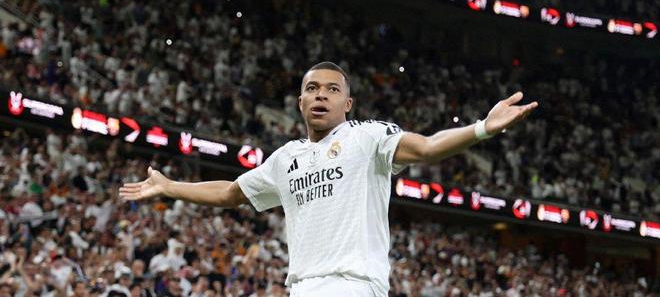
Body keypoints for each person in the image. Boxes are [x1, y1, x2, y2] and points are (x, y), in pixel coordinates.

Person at [120, 61, 538, 296]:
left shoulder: (367, 137)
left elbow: (428, 147)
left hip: (352, 285)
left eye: (332, 89)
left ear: (348, 103)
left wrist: (482, 128)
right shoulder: (286, 159)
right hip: (302, 287)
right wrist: (170, 187)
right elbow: (231, 192)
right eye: (313, 88)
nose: (321, 94)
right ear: (300, 100)